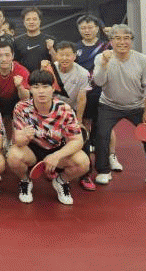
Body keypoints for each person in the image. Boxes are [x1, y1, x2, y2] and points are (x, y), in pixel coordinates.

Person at [92, 24, 146, 191]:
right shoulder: (101, 58)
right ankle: (103, 171)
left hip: (137, 106)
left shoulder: (142, 60)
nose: (122, 42)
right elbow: (98, 82)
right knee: (101, 135)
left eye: (126, 38)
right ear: (111, 41)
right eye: (117, 38)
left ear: (131, 41)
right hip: (109, 105)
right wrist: (104, 64)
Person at [6, 70, 90, 205]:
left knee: (83, 162)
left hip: (57, 148)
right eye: (36, 87)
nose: (41, 91)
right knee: (13, 155)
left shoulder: (64, 109)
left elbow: (77, 140)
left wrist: (56, 156)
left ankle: (61, 181)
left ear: (53, 89)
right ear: (30, 89)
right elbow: (18, 141)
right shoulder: (21, 108)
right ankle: (25, 180)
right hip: (32, 150)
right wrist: (24, 137)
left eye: (45, 87)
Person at [41, 41, 94, 190]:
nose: (64, 58)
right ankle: (52, 168)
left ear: (74, 56)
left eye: (68, 55)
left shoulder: (83, 73)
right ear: (56, 55)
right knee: (49, 138)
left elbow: (82, 98)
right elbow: (44, 91)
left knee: (82, 136)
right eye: (61, 54)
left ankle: (85, 175)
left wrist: (79, 121)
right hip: (52, 111)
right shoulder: (49, 69)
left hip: (71, 112)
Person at [75, 14, 122, 174]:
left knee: (106, 125)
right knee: (85, 124)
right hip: (84, 93)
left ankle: (112, 156)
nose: (87, 30)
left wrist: (112, 35)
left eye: (90, 27)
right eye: (83, 28)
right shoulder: (75, 47)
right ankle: (85, 154)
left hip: (103, 92)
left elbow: (121, 56)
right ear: (79, 30)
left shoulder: (107, 46)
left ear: (97, 29)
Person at [0, 41, 30, 141]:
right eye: (0, 56)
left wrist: (19, 86)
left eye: (7, 55)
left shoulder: (22, 71)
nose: (4, 59)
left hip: (15, 100)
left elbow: (26, 98)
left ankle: (13, 141)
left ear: (13, 55)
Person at [13, 7, 56, 73]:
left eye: (34, 19)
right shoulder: (17, 41)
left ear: (40, 21)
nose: (31, 22)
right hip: (24, 77)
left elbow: (57, 63)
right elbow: (15, 64)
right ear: (23, 22)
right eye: (28, 19)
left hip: (45, 78)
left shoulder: (50, 40)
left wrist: (51, 49)